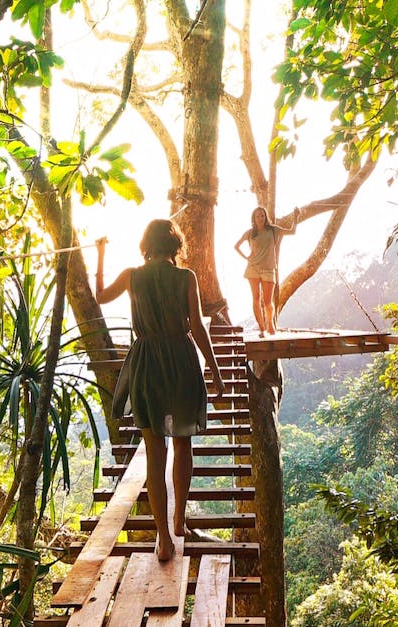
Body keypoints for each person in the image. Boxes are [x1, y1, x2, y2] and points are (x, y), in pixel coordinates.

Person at [94, 220, 225, 561]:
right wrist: (215, 370)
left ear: (146, 244)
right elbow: (197, 327)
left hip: (147, 362)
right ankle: (180, 520)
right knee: (183, 442)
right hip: (180, 360)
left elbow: (100, 296)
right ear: (176, 246)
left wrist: (100, 254)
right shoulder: (186, 278)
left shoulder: (132, 276)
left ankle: (164, 538)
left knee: (155, 451)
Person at [234, 207, 293, 336]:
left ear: (266, 217)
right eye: (257, 216)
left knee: (267, 302)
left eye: (262, 216)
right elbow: (236, 246)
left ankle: (270, 325)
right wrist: (246, 257)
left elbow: (292, 231)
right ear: (254, 219)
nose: (260, 218)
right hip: (253, 268)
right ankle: (261, 328)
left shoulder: (273, 230)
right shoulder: (250, 233)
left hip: (269, 269)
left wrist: (296, 216)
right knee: (255, 298)